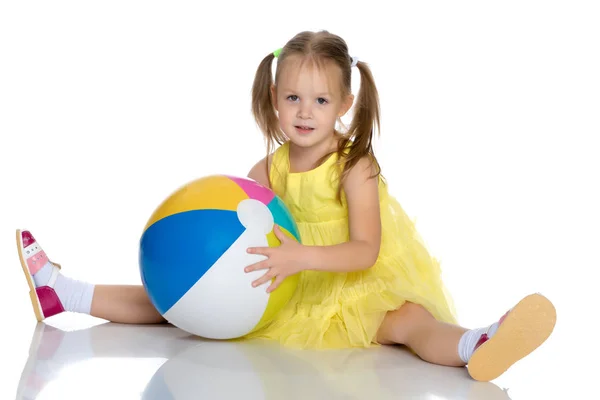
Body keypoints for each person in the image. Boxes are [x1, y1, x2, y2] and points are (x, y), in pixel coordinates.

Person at [16, 30, 556, 382]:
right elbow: (245, 229)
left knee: (408, 321)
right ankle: (65, 291)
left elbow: (366, 251)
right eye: (293, 97)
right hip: (282, 284)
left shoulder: (354, 165)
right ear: (274, 99)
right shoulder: (265, 172)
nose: (304, 112)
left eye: (321, 100)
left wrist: (301, 258)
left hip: (348, 281)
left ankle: (476, 342)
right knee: (178, 298)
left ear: (346, 104)